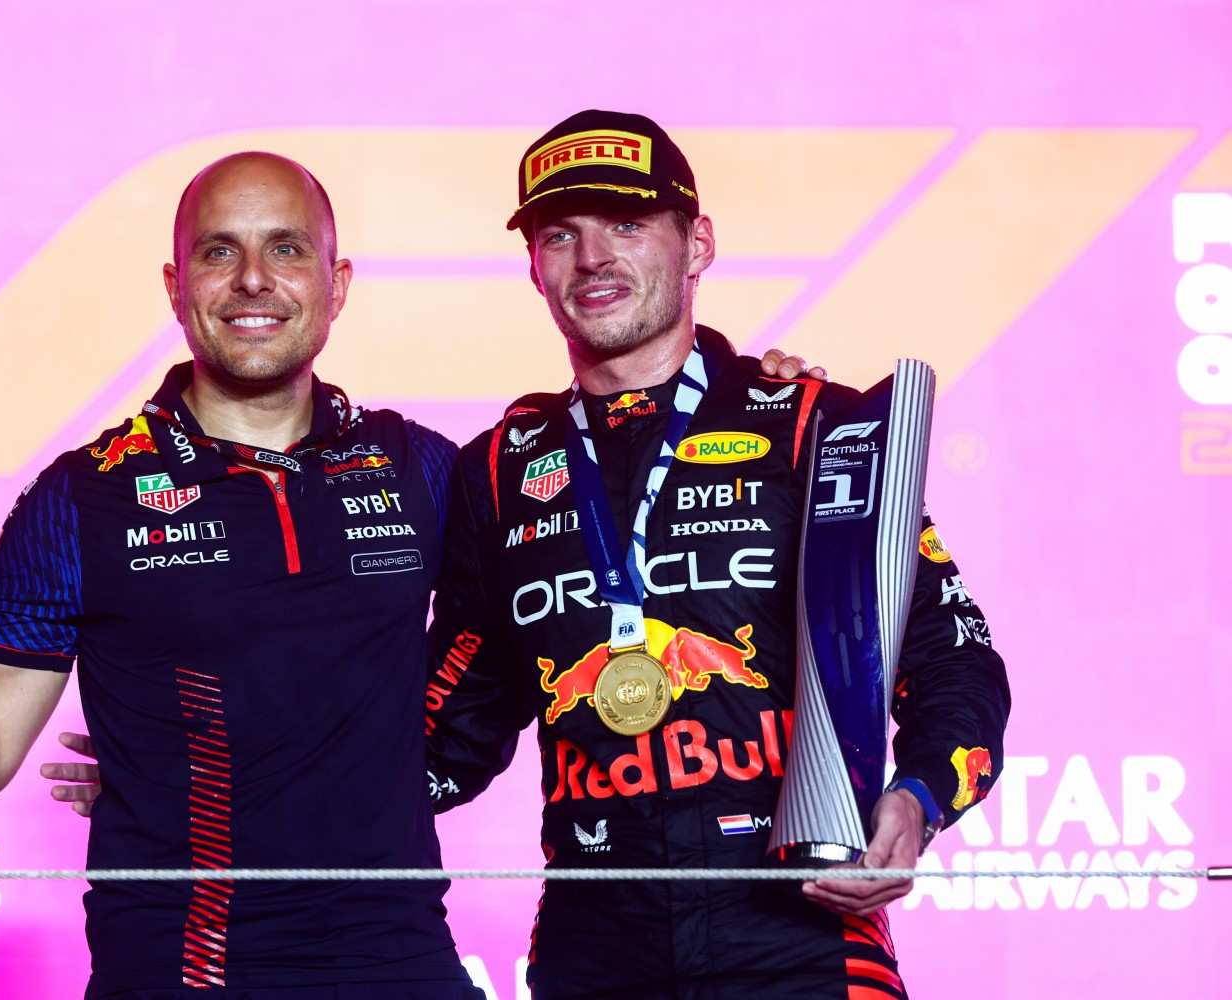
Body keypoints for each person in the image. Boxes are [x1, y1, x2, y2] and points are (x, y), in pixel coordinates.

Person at [0, 152, 486, 999]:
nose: (251, 280)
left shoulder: (421, 468)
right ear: (175, 285)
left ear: (335, 281)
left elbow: (524, 636)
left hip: (402, 967)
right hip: (179, 973)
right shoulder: (82, 496)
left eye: (285, 249)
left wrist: (392, 767)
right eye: (217, 252)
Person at [420, 110, 1011, 999]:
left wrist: (921, 797)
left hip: (802, 934)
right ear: (534, 266)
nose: (593, 259)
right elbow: (451, 725)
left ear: (696, 244)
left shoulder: (818, 424)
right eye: (560, 234)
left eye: (626, 225)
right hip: (595, 943)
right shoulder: (498, 470)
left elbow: (952, 657)